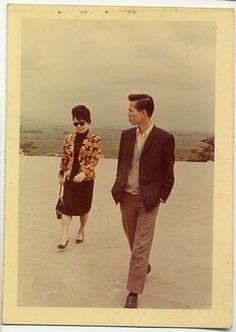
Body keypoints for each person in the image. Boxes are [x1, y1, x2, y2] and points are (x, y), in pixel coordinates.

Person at [111, 94, 175, 308]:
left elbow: (168, 174)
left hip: (149, 201)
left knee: (140, 245)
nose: (128, 114)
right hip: (126, 198)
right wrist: (119, 186)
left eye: (131, 111)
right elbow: (122, 164)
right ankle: (142, 265)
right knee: (133, 241)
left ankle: (133, 291)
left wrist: (160, 196)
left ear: (143, 113)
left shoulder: (164, 138)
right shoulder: (126, 135)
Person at [57, 105, 101, 249]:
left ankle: (81, 230)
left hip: (86, 180)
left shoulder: (95, 139)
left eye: (82, 123)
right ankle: (64, 237)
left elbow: (95, 159)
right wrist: (61, 173)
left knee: (83, 208)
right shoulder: (69, 138)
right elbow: (64, 158)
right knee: (67, 208)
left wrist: (85, 172)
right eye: (76, 123)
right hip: (70, 178)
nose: (79, 126)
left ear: (88, 122)